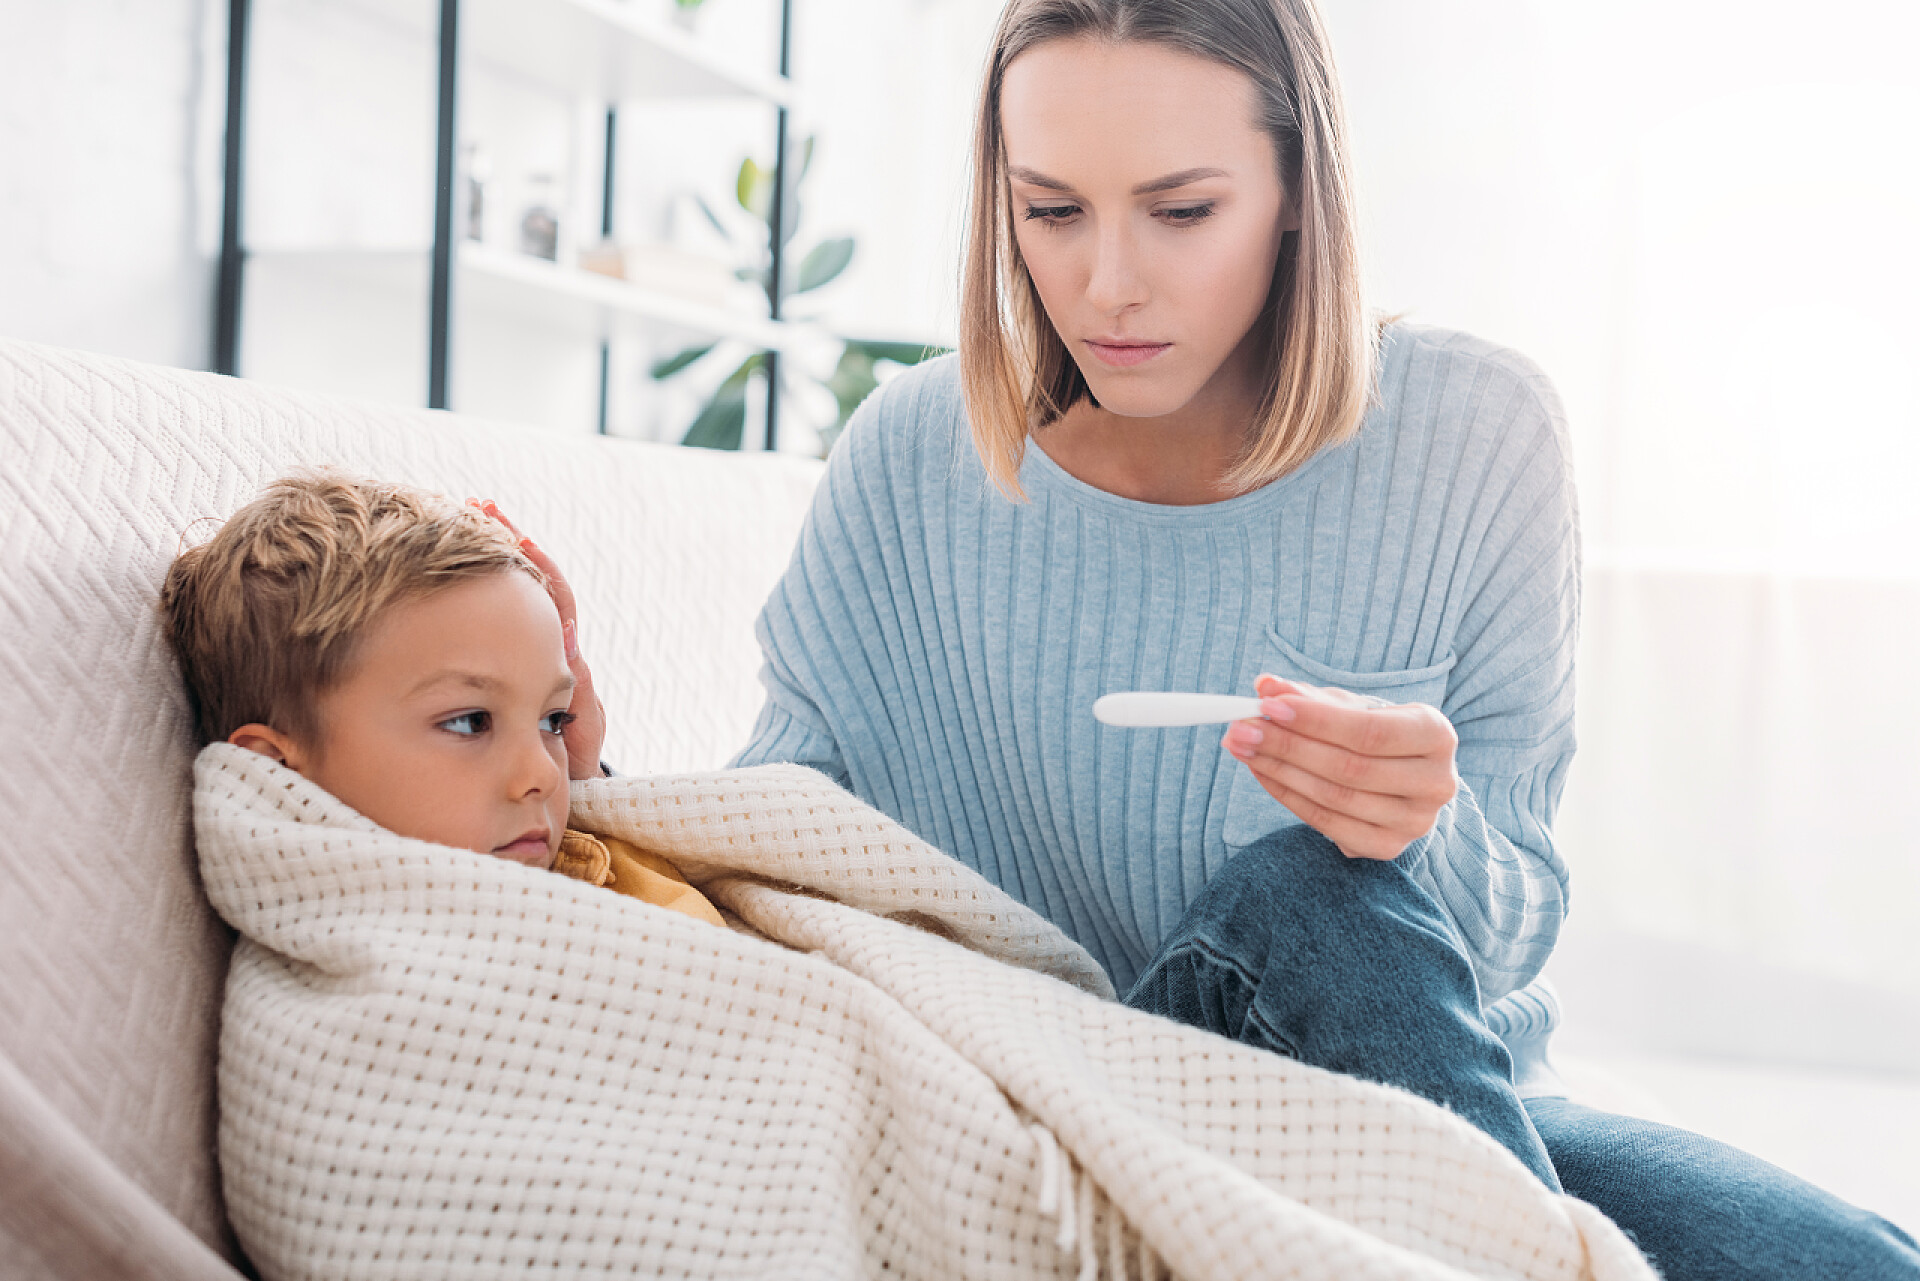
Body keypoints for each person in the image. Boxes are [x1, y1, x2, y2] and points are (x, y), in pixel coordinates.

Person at [721, 1, 1920, 1277]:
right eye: (1051, 210)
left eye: (1181, 212)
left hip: (1428, 1093)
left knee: (1848, 1259)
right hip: (1097, 1104)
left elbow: (1509, 927)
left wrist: (1421, 827)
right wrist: (545, 726)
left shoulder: (1475, 435)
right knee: (1304, 892)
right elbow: (769, 845)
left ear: (1298, 187)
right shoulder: (910, 460)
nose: (1104, 282)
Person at [159, 469, 722, 928]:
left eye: (553, 717)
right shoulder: (391, 987)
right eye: (471, 722)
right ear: (276, 771)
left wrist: (592, 782)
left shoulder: (570, 864)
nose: (544, 777)